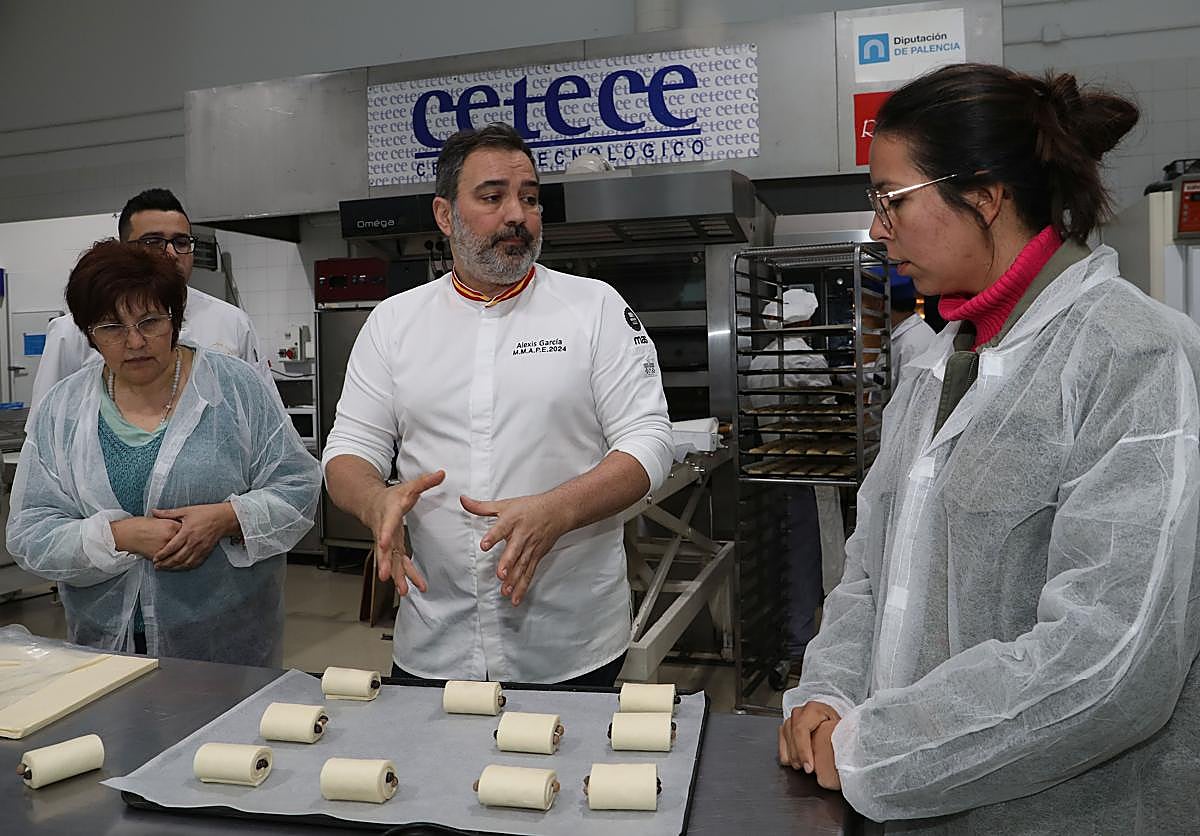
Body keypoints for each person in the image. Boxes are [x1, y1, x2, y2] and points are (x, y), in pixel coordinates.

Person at [777, 63, 1200, 834]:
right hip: (904, 799)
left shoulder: (1133, 356)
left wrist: (879, 748)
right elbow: (870, 574)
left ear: (984, 194)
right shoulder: (941, 365)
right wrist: (830, 691)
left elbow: (1108, 659)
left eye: (890, 199)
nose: (879, 228)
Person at [323, 123, 673, 686]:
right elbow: (348, 452)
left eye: (529, 198)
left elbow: (650, 440)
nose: (518, 214)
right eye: (493, 197)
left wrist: (559, 509)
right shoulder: (394, 323)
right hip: (435, 637)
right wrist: (373, 502)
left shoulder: (593, 308)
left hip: (568, 642)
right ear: (445, 215)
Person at [6, 241, 320, 666]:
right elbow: (30, 531)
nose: (134, 341)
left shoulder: (233, 388)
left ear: (174, 318)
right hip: (104, 646)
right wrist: (119, 536)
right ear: (88, 335)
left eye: (150, 321)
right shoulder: (64, 408)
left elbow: (298, 487)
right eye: (111, 328)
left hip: (225, 637)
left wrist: (227, 518)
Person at [26, 188, 270, 425]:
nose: (171, 252)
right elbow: (46, 424)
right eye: (153, 242)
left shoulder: (232, 322)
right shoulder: (73, 330)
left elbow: (265, 418)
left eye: (181, 241)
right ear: (123, 248)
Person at [745, 289, 843, 662]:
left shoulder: (756, 364)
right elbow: (829, 419)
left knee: (780, 558)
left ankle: (785, 636)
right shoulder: (806, 358)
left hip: (772, 471)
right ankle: (801, 644)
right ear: (805, 321)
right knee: (806, 559)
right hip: (805, 471)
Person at [887, 273, 936, 390]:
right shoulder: (903, 333)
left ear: (881, 305)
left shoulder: (914, 341)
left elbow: (907, 393)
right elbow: (887, 371)